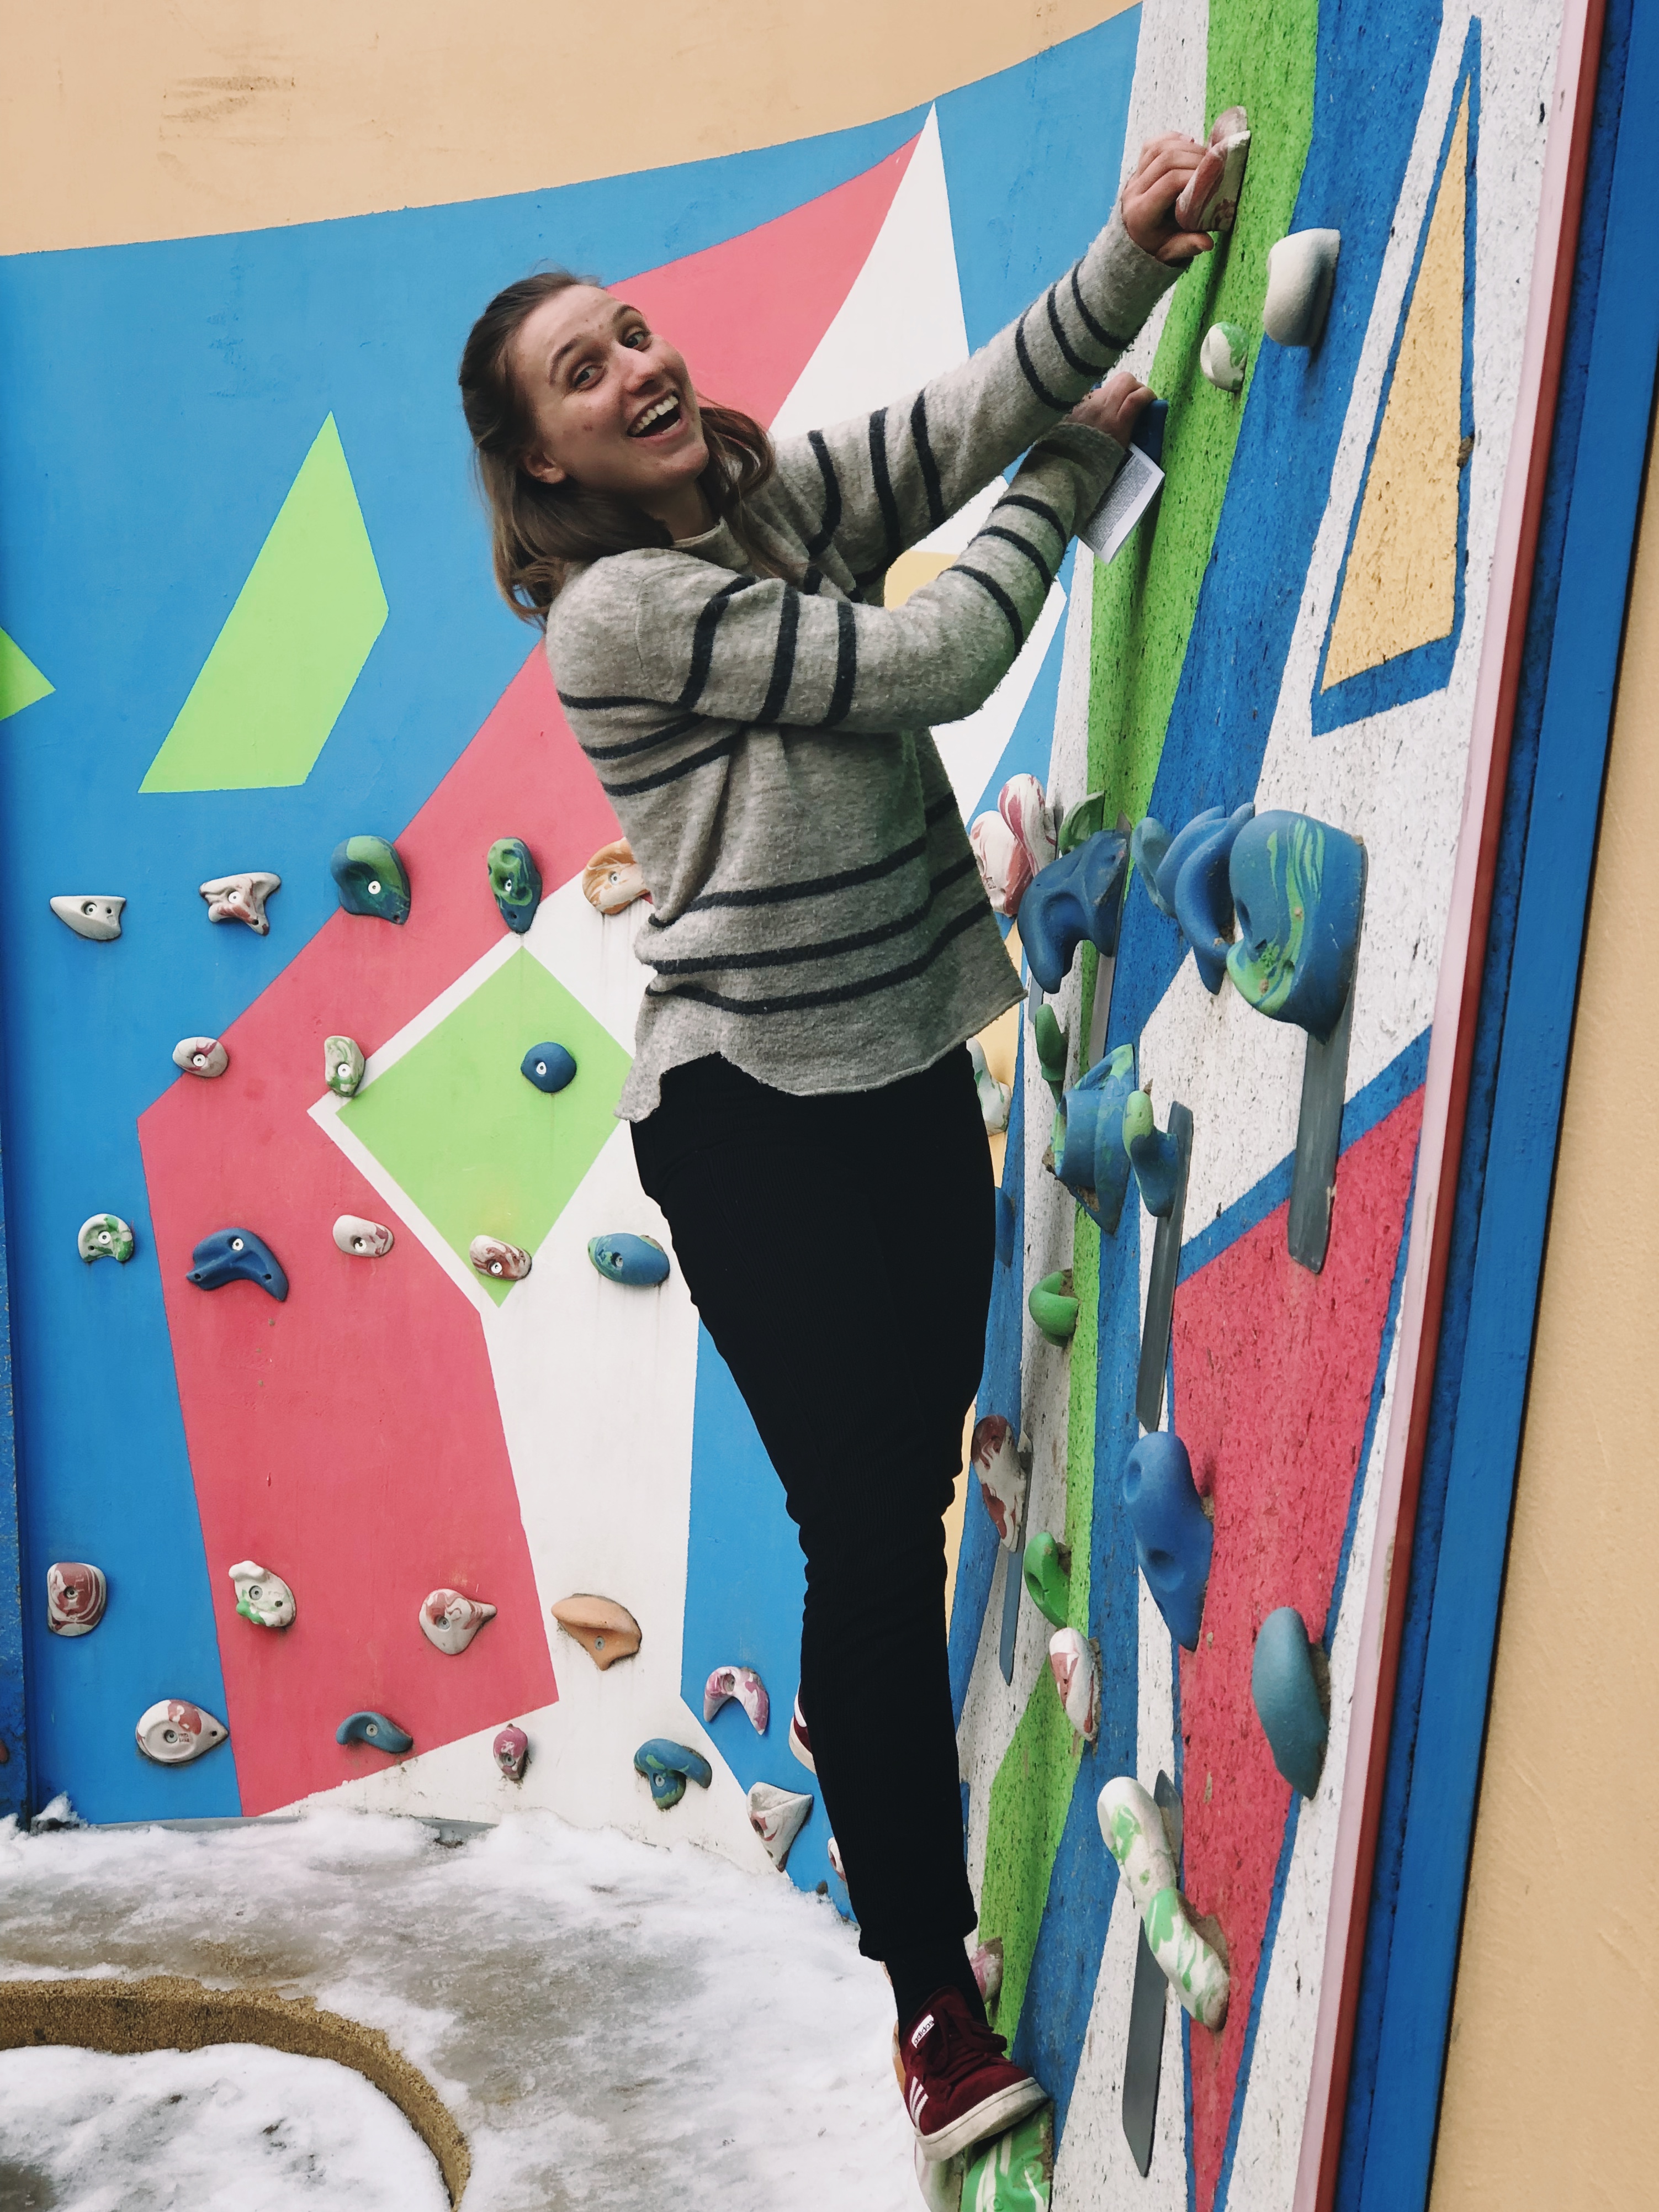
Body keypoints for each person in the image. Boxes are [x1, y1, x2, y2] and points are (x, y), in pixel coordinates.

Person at [458, 131, 1214, 2167]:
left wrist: (1131, 256)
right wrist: (1068, 475)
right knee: (867, 1538)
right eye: (583, 373)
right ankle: (931, 2010)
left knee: (901, 1496)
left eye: (631, 332)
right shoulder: (617, 614)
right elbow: (930, 663)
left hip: (901, 1058)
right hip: (747, 1116)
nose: (635, 367)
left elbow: (948, 419)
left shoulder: (766, 497)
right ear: (544, 466)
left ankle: (849, 1699)